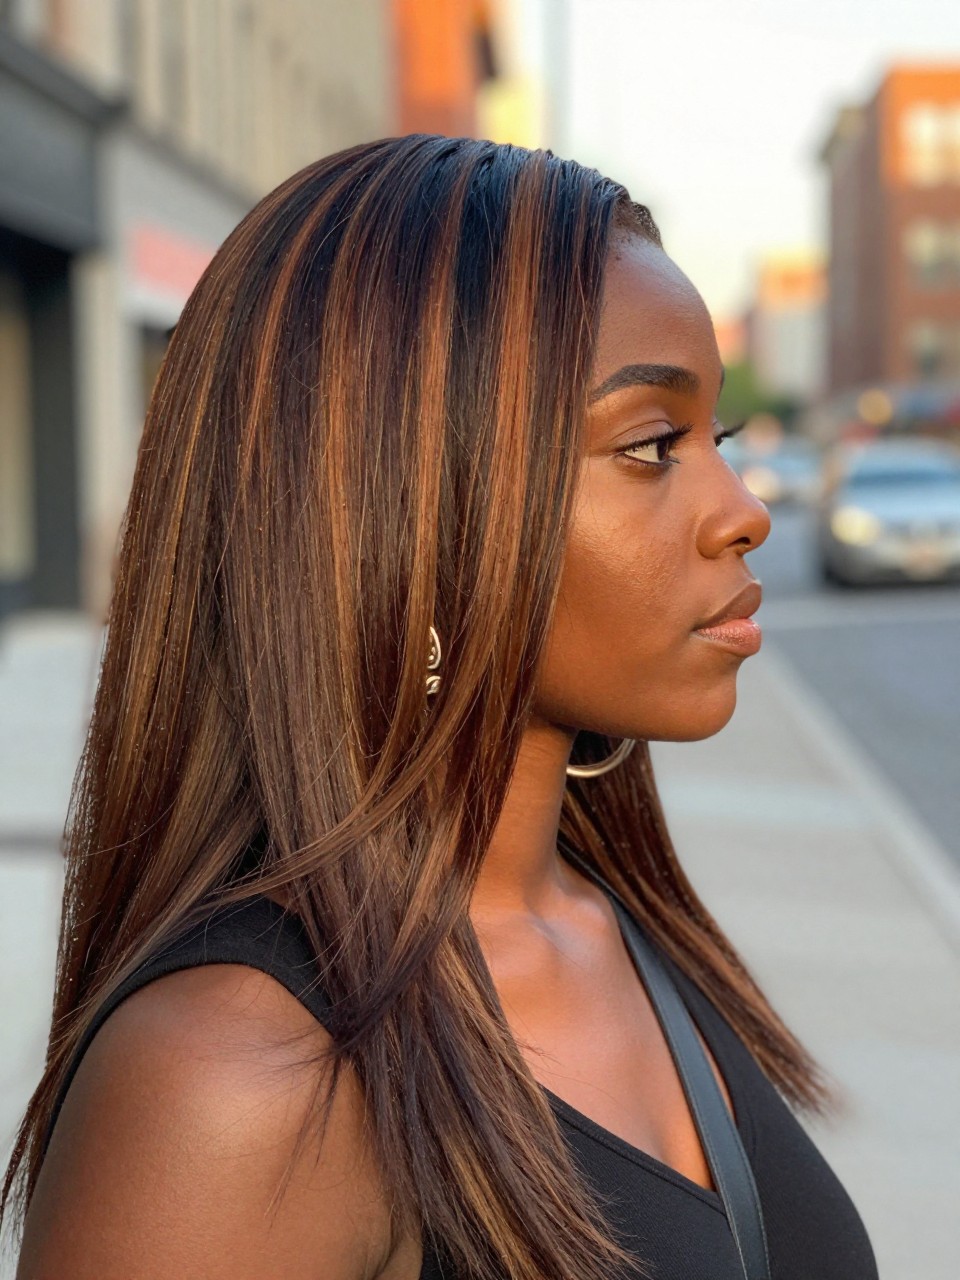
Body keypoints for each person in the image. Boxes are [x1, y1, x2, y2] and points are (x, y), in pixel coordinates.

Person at [1, 135, 878, 1280]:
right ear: (411, 508)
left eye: (717, 438)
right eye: (652, 444)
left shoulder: (613, 922)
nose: (744, 511)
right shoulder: (238, 1080)